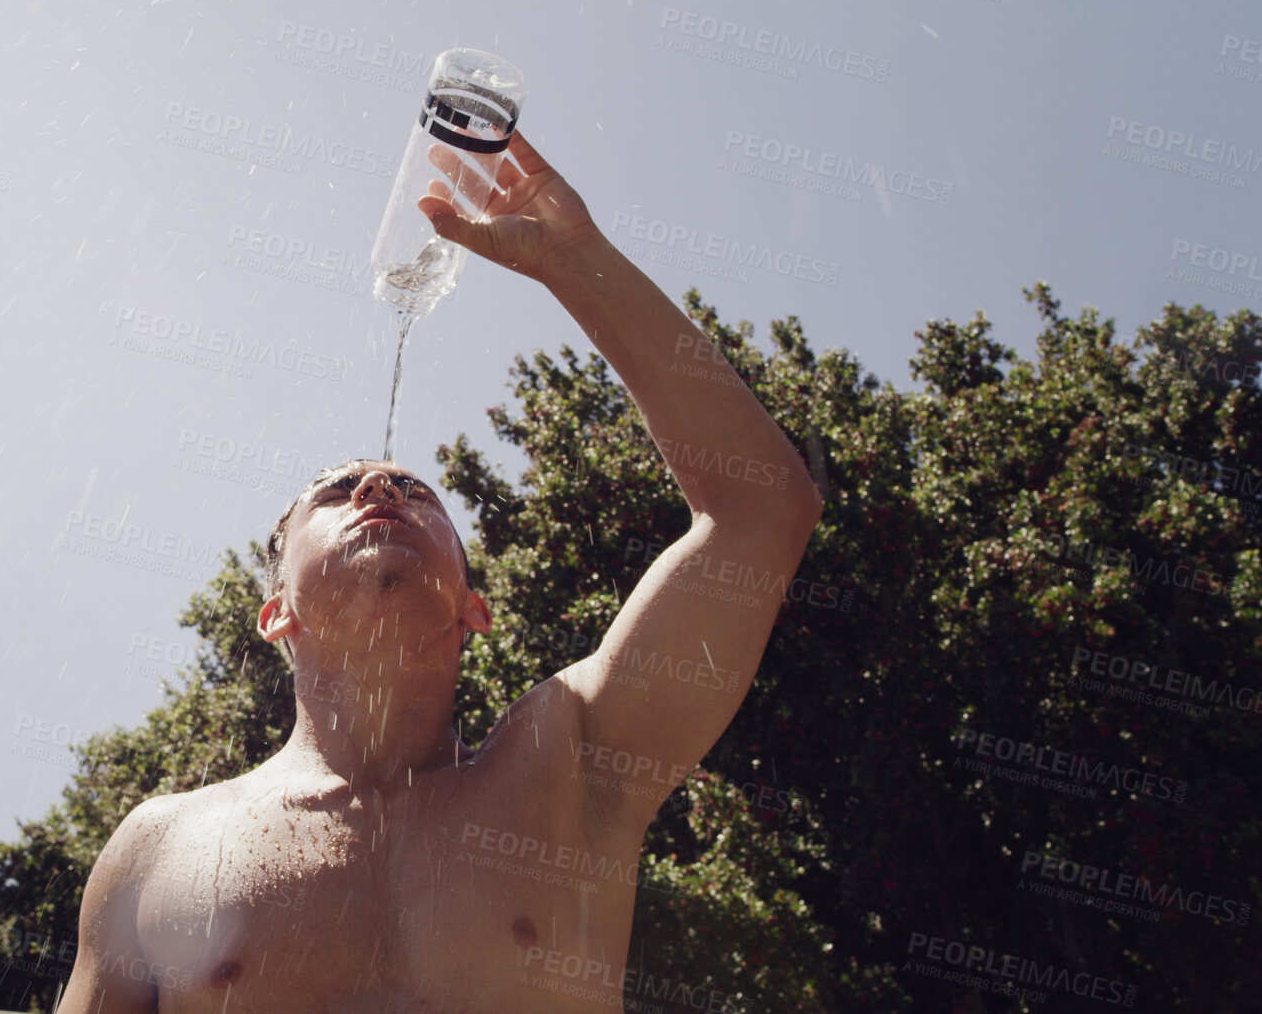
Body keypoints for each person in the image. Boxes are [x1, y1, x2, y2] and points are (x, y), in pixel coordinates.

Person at [57, 129, 823, 1013]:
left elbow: (761, 510)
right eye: (336, 491)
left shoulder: (567, 766)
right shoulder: (160, 846)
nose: (379, 487)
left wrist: (576, 262)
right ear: (275, 613)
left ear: (472, 606)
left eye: (416, 493)